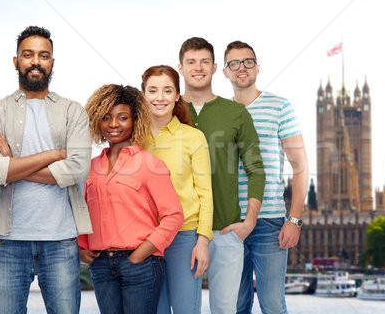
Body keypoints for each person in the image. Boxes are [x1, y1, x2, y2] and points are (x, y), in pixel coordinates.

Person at [0, 25, 92, 314]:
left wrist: (13, 164)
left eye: (44, 55)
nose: (36, 61)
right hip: (9, 241)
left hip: (61, 240)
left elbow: (77, 170)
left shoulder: (73, 111)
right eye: (28, 55)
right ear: (16, 61)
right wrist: (53, 155)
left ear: (52, 62)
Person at [177, 37, 266, 313]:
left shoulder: (236, 113)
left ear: (215, 67)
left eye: (205, 62)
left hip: (226, 230)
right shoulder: (167, 110)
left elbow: (256, 170)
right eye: (191, 62)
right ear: (180, 68)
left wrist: (248, 222)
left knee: (226, 310)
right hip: (180, 231)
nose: (198, 67)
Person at [78, 84, 184, 314]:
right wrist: (81, 246)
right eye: (106, 117)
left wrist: (141, 253)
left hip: (141, 264)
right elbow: (83, 211)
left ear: (135, 120)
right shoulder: (91, 167)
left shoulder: (150, 164)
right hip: (101, 265)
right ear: (98, 120)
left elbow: (174, 215)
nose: (114, 124)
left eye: (122, 117)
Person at [222, 41, 309, 314]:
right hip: (228, 222)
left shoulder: (279, 106)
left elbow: (301, 166)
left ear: (257, 68)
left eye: (247, 62)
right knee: (236, 306)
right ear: (225, 72)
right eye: (234, 63)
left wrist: (293, 220)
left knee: (272, 305)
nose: (241, 68)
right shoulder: (219, 111)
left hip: (269, 222)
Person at [140, 65, 213, 314]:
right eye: (153, 90)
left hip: (184, 238)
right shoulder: (133, 139)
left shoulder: (193, 137)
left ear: (177, 95)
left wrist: (202, 241)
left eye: (167, 90)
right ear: (143, 95)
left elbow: (205, 194)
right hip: (145, 239)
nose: (160, 97)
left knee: (186, 309)